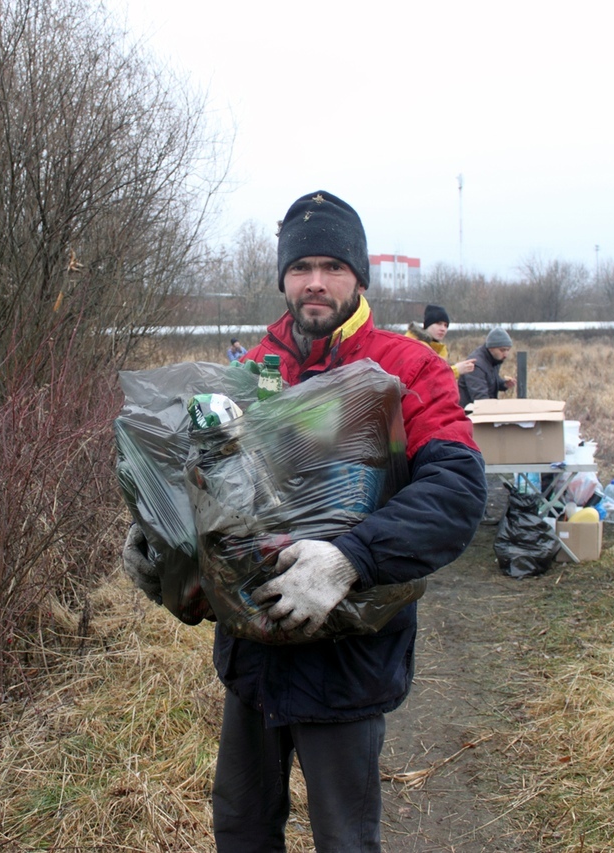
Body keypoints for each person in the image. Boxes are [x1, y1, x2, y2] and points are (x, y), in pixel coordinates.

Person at [121, 190, 486, 851]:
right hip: (253, 655)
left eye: (333, 266)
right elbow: (204, 487)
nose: (315, 281)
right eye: (301, 267)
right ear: (284, 276)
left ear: (359, 276)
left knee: (344, 839)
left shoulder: (410, 370)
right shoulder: (249, 373)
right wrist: (161, 540)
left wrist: (352, 559)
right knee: (241, 829)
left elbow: (457, 494)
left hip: (347, 662)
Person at [404, 303, 476, 378]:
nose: (443, 329)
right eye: (439, 323)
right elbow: (427, 378)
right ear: (427, 324)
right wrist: (456, 370)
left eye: (446, 325)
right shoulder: (415, 345)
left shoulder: (440, 349)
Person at [458, 328, 516, 408]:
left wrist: (503, 384)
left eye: (508, 350)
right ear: (491, 348)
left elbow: (490, 379)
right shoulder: (476, 365)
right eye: (502, 350)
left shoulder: (493, 359)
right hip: (469, 414)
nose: (506, 354)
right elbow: (480, 398)